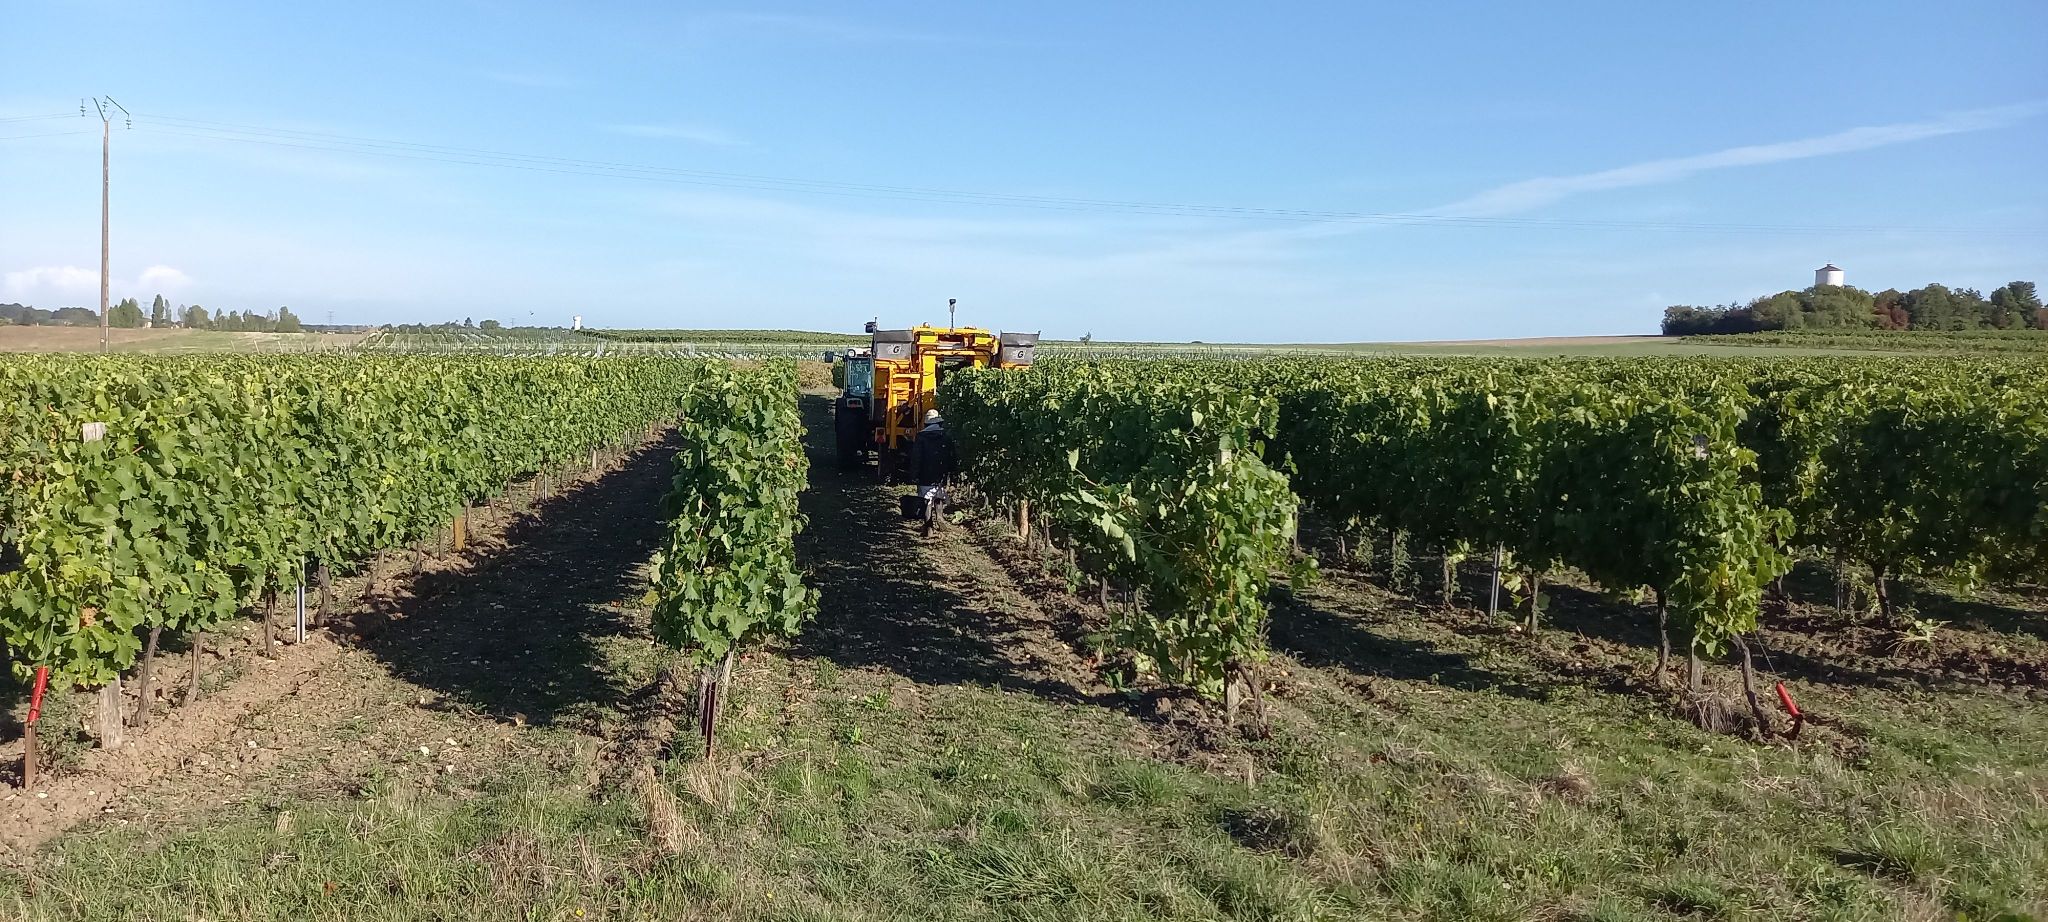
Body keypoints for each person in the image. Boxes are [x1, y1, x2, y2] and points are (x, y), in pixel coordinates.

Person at [912, 409, 957, 536]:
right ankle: (940, 517)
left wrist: (914, 474)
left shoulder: (921, 437)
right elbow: (952, 457)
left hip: (925, 473)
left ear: (926, 424)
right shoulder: (946, 437)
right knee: (938, 496)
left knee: (926, 500)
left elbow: (916, 458)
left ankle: (928, 526)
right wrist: (952, 474)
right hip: (940, 473)